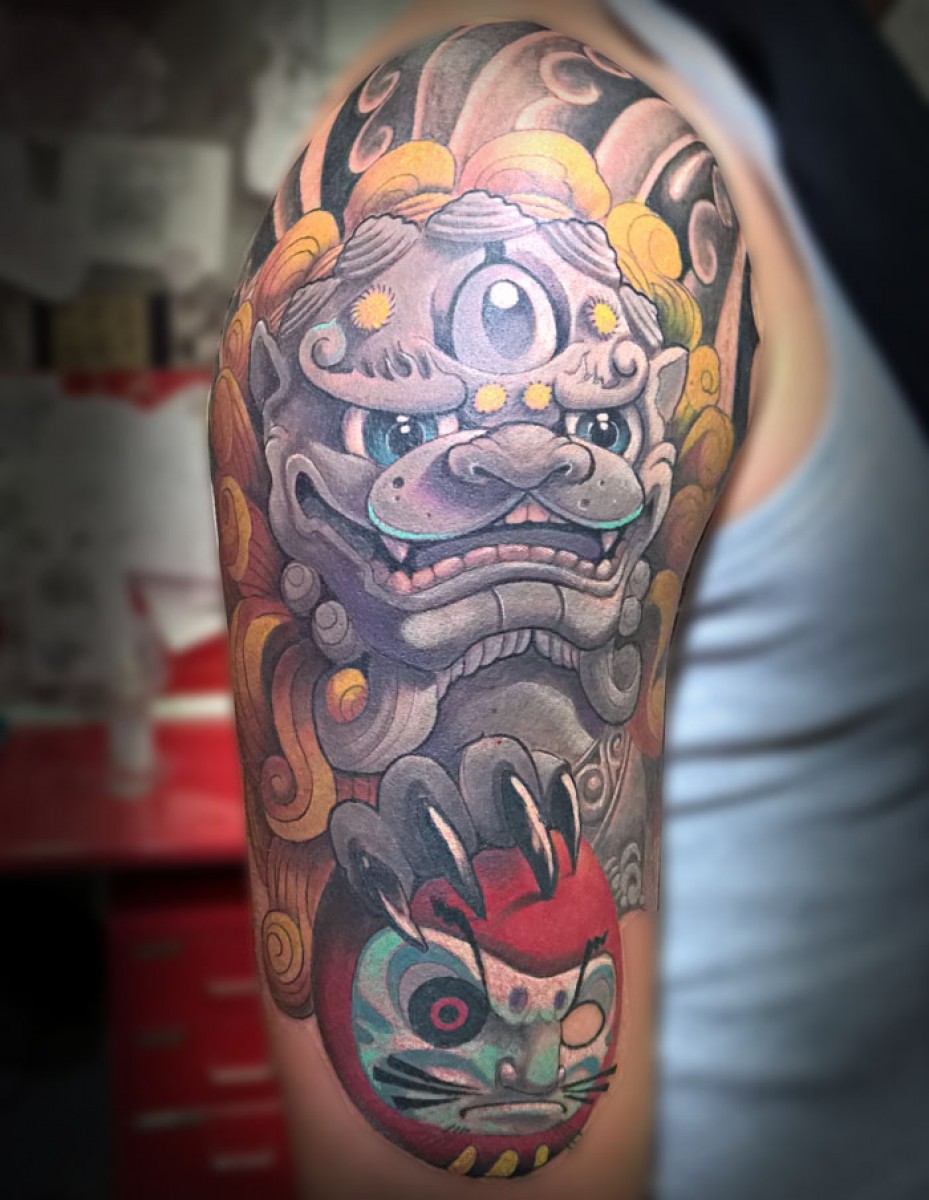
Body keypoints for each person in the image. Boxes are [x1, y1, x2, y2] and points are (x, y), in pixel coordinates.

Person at [208, 3, 929, 1197]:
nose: (521, 465)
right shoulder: (547, 144)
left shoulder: (806, 93)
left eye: (595, 423)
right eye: (394, 428)